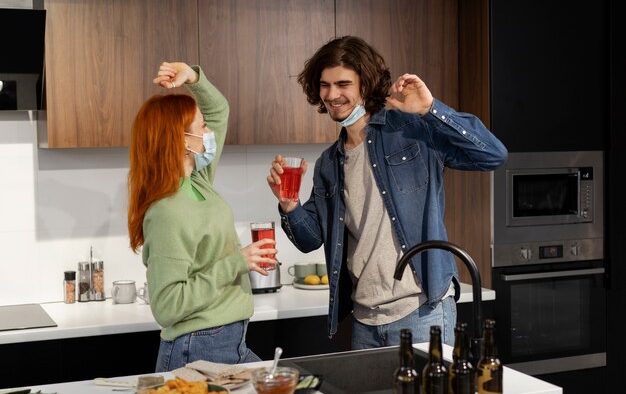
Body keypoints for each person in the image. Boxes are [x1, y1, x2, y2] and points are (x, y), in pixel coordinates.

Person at [266, 36, 508, 349]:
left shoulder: (410, 130)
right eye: (324, 85)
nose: (332, 95)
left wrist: (431, 109)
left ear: (364, 85)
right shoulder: (329, 162)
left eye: (343, 84)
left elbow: (493, 155)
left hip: (422, 311)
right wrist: (289, 204)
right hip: (364, 320)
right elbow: (309, 239)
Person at [127, 61, 277, 371]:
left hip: (227, 341)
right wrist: (238, 261)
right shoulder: (168, 210)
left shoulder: (197, 181)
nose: (209, 132)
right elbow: (168, 307)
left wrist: (192, 78)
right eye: (201, 127)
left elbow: (219, 110)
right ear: (183, 141)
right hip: (197, 347)